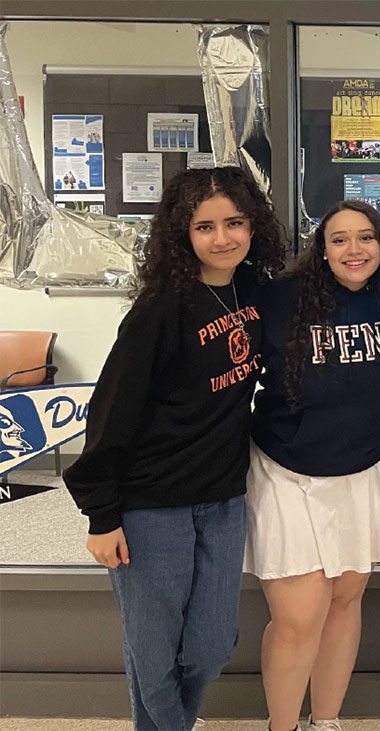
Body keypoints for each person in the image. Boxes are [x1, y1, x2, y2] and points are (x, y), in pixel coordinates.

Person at [64, 166, 286, 731]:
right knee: (154, 652)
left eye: (234, 222)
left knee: (212, 644)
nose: (222, 238)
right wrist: (102, 514)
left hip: (224, 498)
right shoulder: (160, 311)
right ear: (181, 234)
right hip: (149, 504)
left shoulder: (252, 290)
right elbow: (111, 414)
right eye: (205, 226)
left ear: (252, 224)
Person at [245, 200, 380, 731]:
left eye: (365, 238)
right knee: (300, 617)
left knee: (345, 602)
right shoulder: (281, 301)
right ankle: (283, 727)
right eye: (339, 239)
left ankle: (326, 721)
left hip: (365, 468)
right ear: (321, 250)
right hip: (288, 470)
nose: (353, 249)